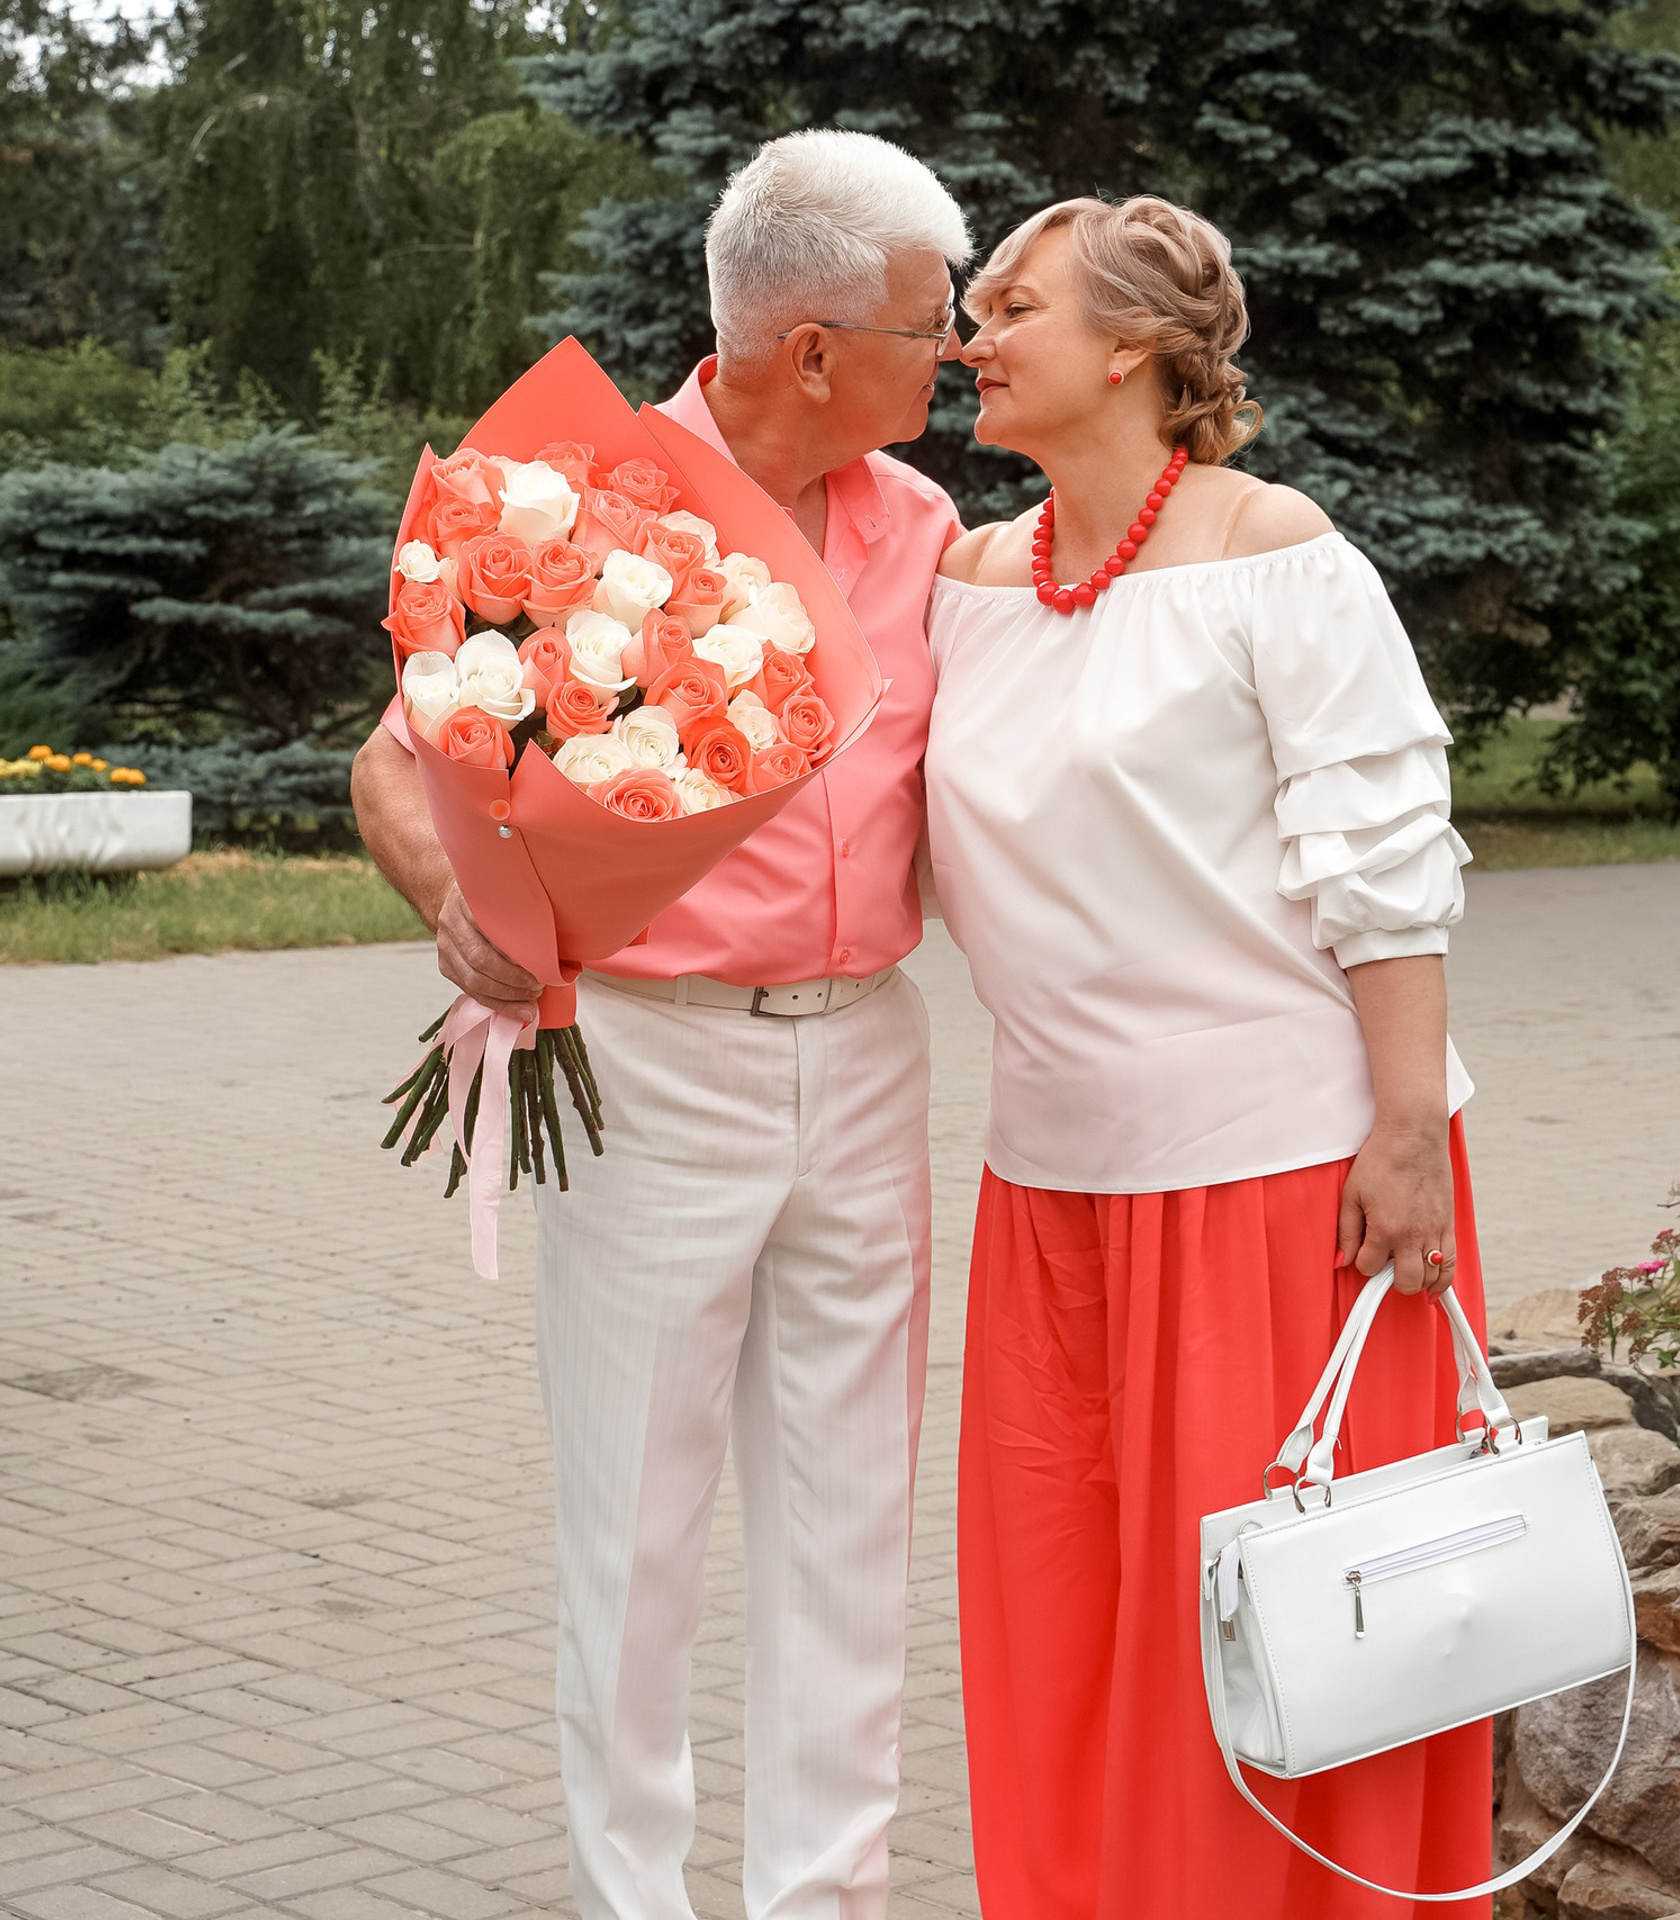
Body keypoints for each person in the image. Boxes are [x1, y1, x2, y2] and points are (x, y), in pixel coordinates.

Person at [352, 130, 971, 1920]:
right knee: (635, 1530)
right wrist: (462, 909)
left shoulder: (928, 530)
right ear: (813, 351)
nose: (954, 354)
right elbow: (392, 764)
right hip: (648, 1060)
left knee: (851, 1526)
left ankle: (823, 1902)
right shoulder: (578, 506)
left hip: (869, 1052)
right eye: (930, 325)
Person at [924, 195, 1489, 1919]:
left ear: (1133, 351)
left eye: (1011, 307)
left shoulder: (1275, 547)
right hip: (1052, 1187)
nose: (971, 337)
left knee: (1288, 1640)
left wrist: (1408, 1127)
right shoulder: (965, 575)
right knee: (1069, 1624)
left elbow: (1382, 855)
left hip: (1286, 1186)